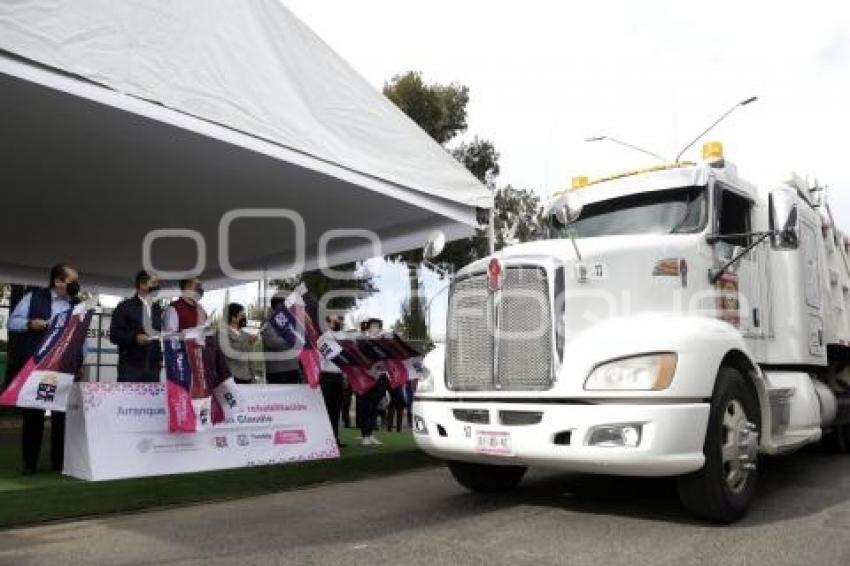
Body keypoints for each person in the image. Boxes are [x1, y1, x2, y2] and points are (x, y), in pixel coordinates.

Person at [7, 264, 81, 474]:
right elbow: (13, 322)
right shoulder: (34, 298)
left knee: (61, 417)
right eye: (72, 281)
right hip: (38, 366)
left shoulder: (77, 304)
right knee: (33, 415)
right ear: (58, 281)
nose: (76, 285)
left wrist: (80, 361)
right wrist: (31, 324)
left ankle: (59, 463)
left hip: (64, 367)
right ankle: (29, 463)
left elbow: (80, 336)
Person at [109, 270, 163, 383]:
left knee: (151, 401)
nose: (158, 287)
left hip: (153, 369)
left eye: (158, 284)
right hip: (130, 368)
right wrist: (135, 338)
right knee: (128, 400)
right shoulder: (124, 307)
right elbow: (114, 335)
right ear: (142, 284)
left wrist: (159, 360)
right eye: (154, 283)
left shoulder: (158, 309)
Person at [356, 317, 387, 447]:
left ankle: (370, 434)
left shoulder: (383, 343)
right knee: (366, 407)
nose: (376, 328)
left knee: (375, 407)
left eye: (378, 326)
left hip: (380, 377)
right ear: (368, 327)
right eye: (374, 326)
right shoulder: (362, 341)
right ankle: (364, 436)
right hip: (366, 378)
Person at [262, 295, 302, 384]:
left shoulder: (289, 319)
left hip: (293, 367)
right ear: (278, 306)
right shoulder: (267, 321)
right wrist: (293, 340)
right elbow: (272, 342)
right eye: (285, 306)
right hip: (278, 370)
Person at [319, 316, 346, 448]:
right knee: (327, 408)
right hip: (327, 377)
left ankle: (335, 437)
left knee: (337, 409)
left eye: (339, 320)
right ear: (328, 323)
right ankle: (325, 438)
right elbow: (319, 360)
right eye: (334, 321)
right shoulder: (323, 339)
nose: (338, 322)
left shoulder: (344, 338)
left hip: (340, 377)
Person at [221, 302, 258, 384]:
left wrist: (253, 376)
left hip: (247, 377)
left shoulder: (246, 335)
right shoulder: (223, 334)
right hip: (232, 378)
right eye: (242, 316)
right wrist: (248, 343)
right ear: (233, 318)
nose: (245, 318)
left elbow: (250, 358)